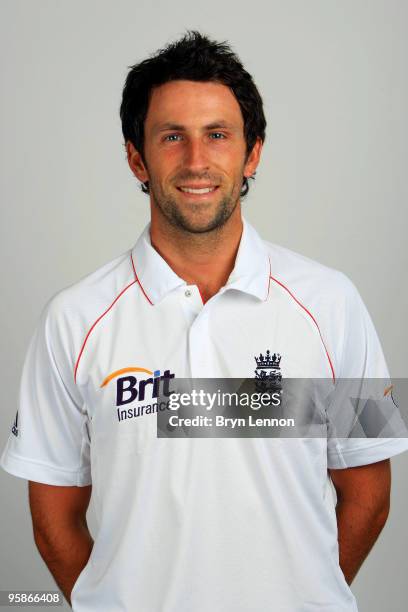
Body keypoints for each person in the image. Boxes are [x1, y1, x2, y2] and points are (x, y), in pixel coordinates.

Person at [1, 30, 407, 612]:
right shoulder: (72, 320)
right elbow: (53, 518)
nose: (197, 161)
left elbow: (370, 492)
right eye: (172, 137)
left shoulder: (334, 303)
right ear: (137, 155)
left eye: (218, 135)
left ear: (253, 151)